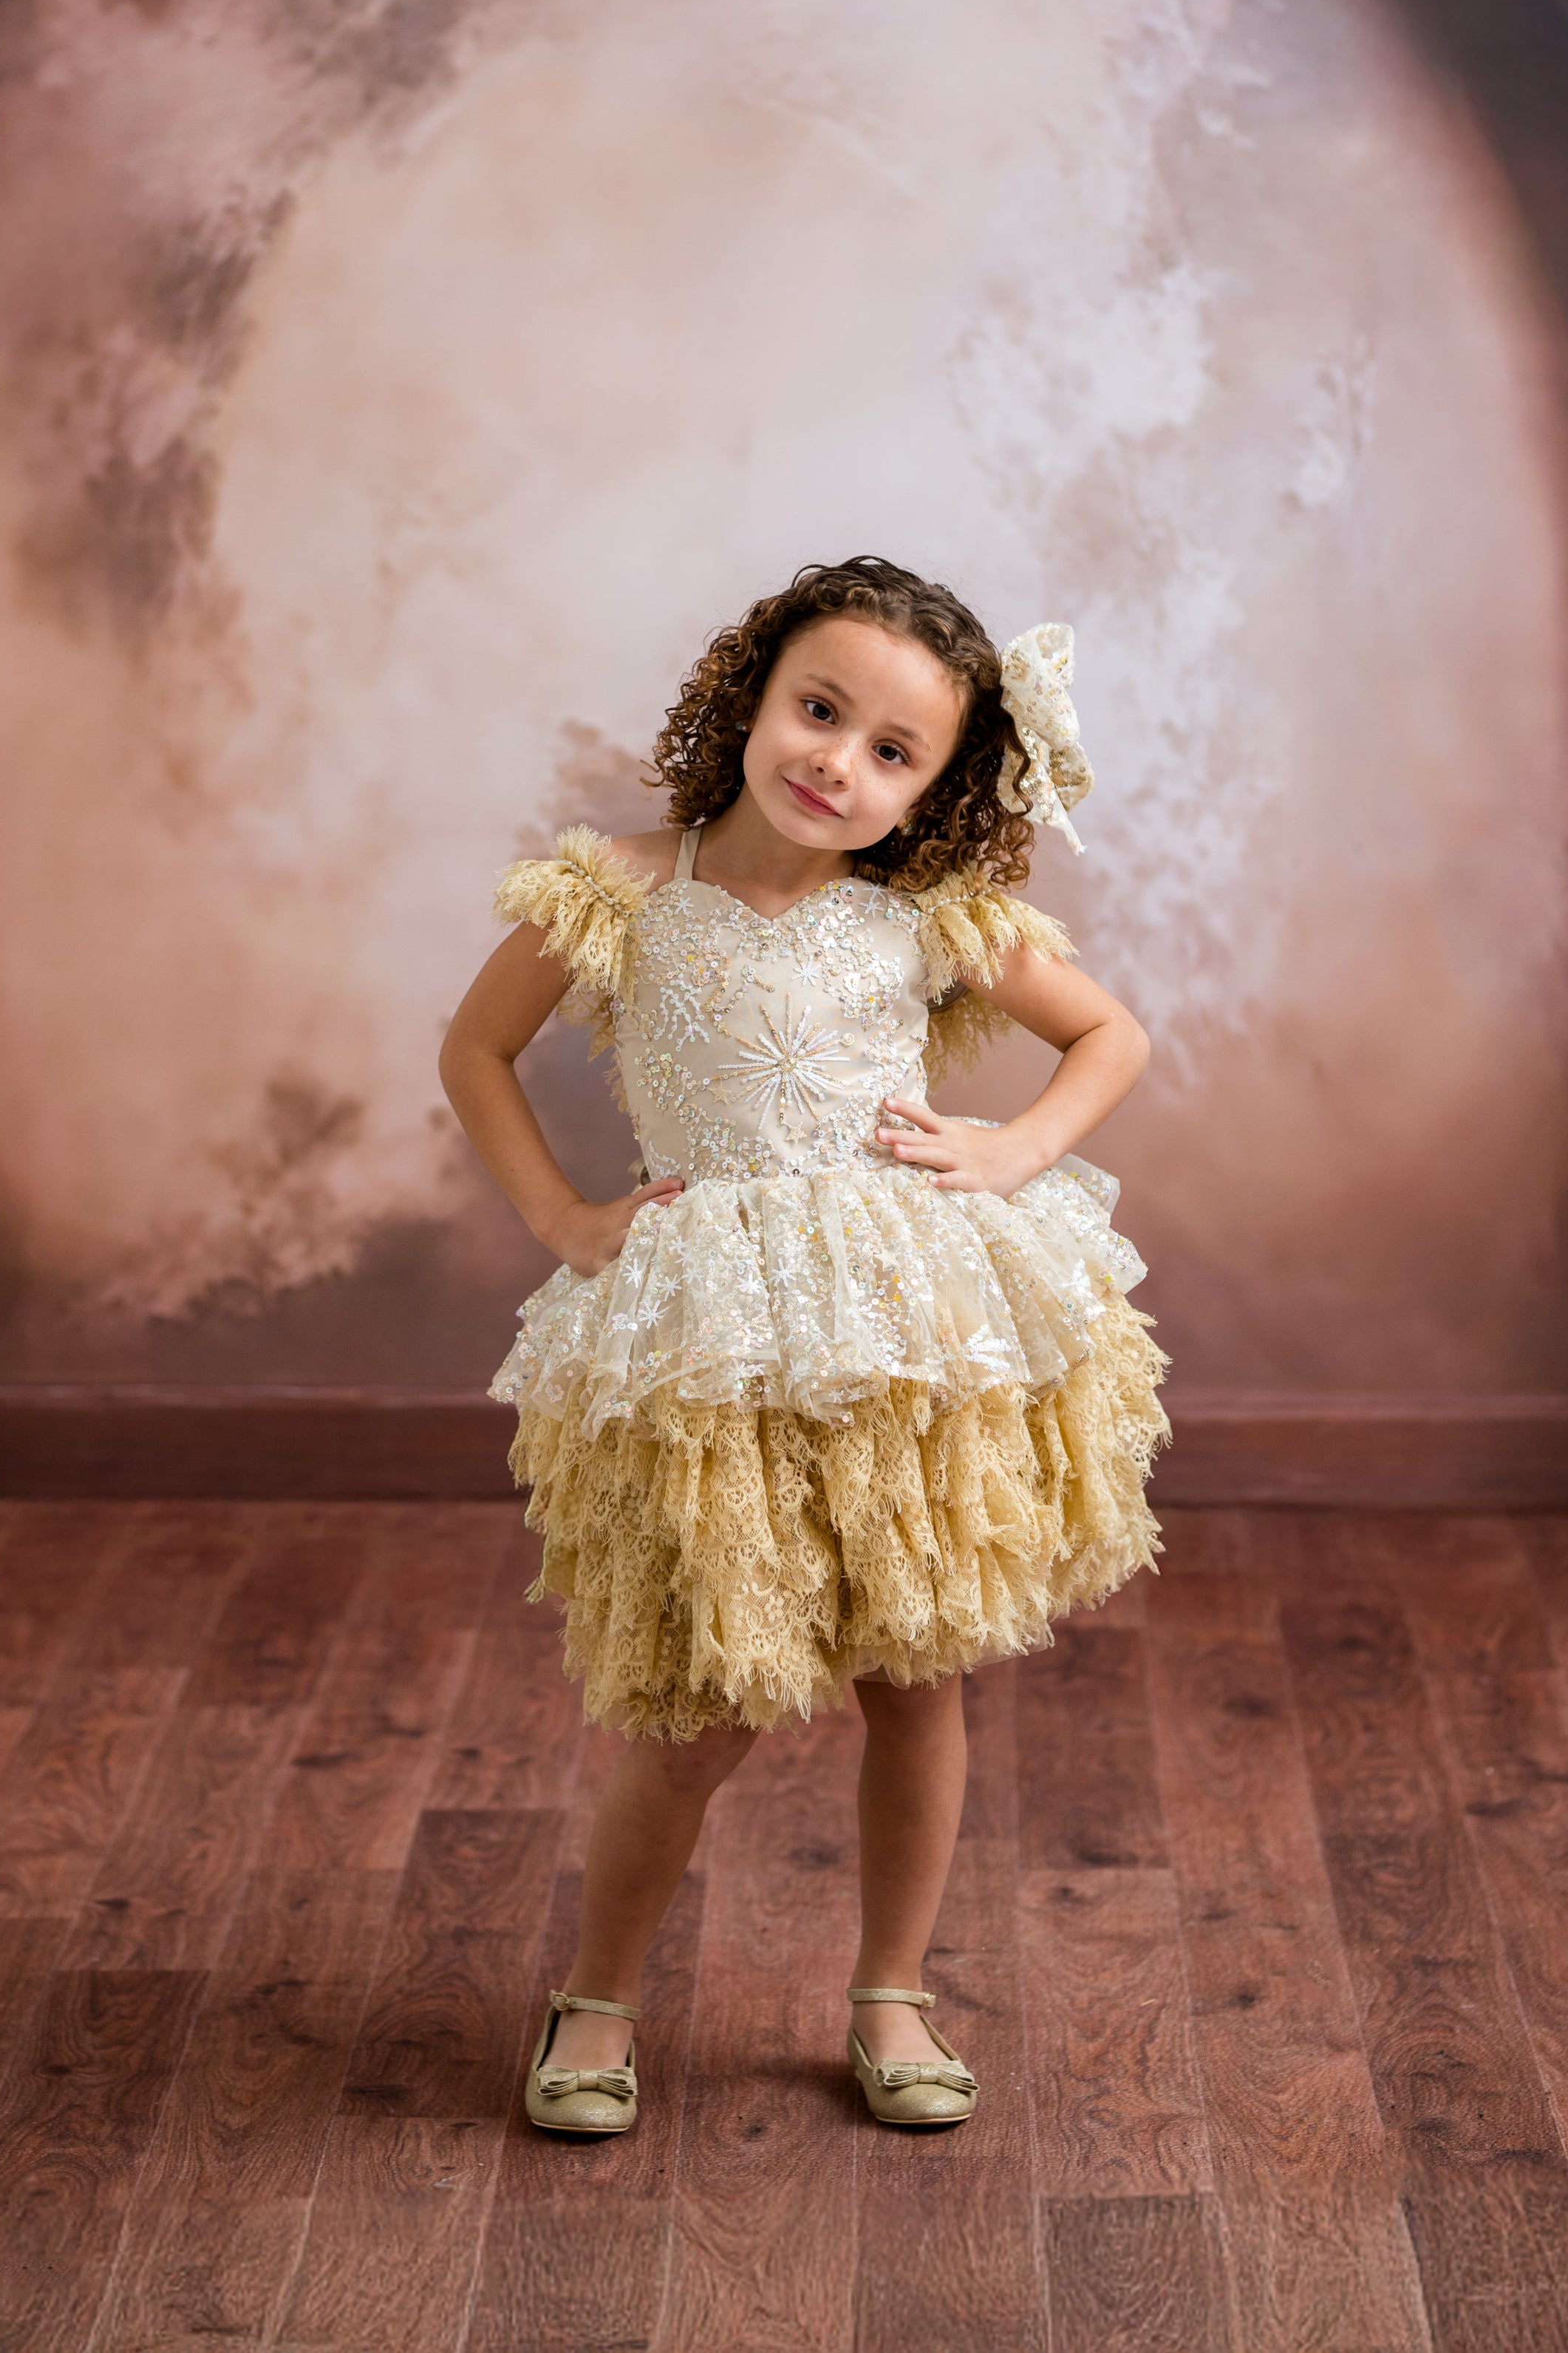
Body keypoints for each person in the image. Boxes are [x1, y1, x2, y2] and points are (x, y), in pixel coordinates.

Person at [439, 556, 1168, 2139]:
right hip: (716, 1343)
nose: (839, 761)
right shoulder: (625, 886)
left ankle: (890, 1985)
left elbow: (1107, 1034)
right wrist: (564, 1214)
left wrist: (1009, 1149)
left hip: (890, 1329)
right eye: (819, 711)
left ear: (935, 785)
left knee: (916, 1676)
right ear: (753, 692)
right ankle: (598, 1992)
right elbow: (473, 1047)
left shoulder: (923, 917)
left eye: (892, 751)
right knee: (700, 1703)